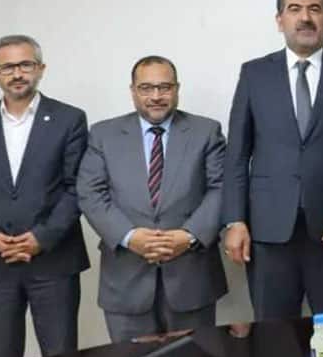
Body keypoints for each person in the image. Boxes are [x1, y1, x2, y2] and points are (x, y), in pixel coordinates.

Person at [222, 0, 323, 320]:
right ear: (280, 20)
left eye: (314, 9)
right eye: (294, 9)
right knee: (274, 335)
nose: (305, 18)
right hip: (268, 231)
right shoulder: (254, 74)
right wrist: (235, 220)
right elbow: (236, 155)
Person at [0, 34, 90, 357]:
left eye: (25, 65)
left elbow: (77, 187)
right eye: (7, 67)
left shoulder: (70, 118)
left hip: (54, 260)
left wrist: (42, 237)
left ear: (41, 68)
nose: (17, 74)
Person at [77, 55, 228, 342]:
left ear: (177, 89)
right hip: (125, 279)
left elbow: (221, 188)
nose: (156, 96)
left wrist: (189, 236)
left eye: (164, 87)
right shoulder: (104, 134)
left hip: (191, 278)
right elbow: (90, 192)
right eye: (146, 88)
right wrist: (129, 236)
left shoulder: (206, 131)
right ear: (133, 91)